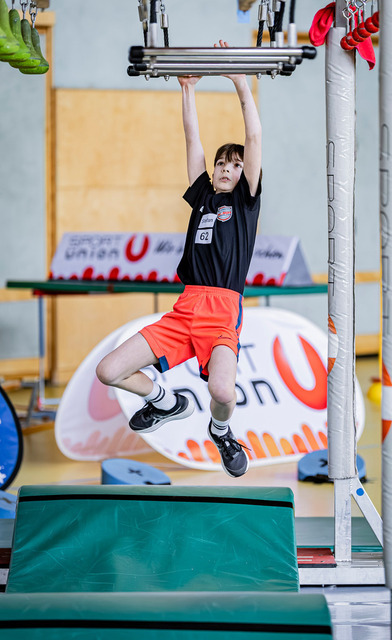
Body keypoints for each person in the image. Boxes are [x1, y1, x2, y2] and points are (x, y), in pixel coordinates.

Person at [96, 41, 262, 478]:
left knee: (222, 390)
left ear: (246, 173)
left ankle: (221, 432)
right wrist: (187, 89)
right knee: (109, 370)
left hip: (221, 313)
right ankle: (165, 402)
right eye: (221, 163)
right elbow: (192, 139)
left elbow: (254, 137)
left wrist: (240, 83)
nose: (225, 168)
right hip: (185, 308)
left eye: (235, 165)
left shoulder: (245, 203)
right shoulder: (203, 195)